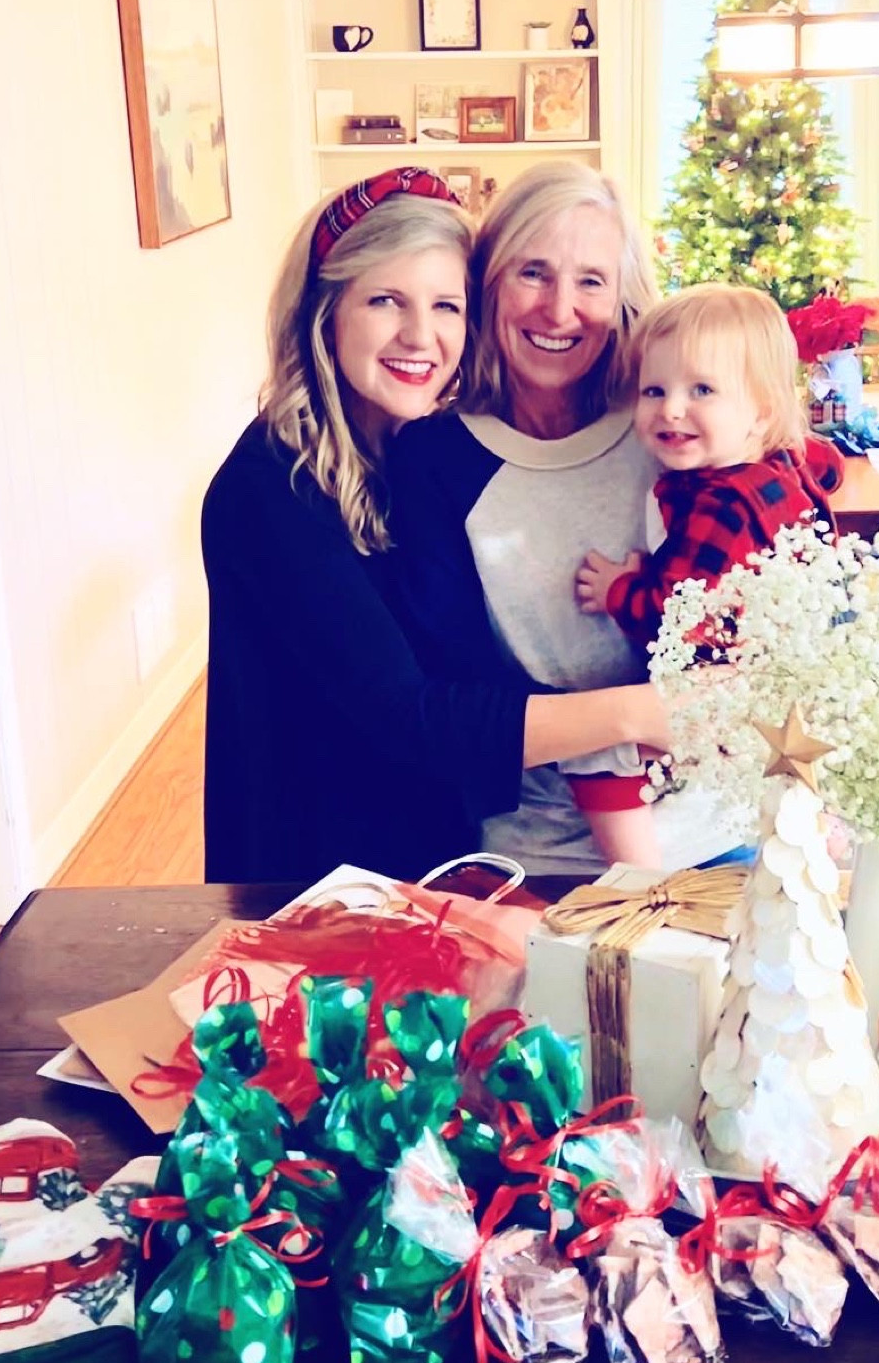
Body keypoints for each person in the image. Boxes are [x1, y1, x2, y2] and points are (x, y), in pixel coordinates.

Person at [200, 167, 669, 886]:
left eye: (445, 305)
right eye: (386, 300)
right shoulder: (272, 487)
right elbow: (406, 715)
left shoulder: (415, 448)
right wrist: (641, 713)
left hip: (439, 857)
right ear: (325, 311)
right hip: (319, 878)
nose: (421, 336)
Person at [386, 162, 664, 872]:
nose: (560, 310)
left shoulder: (665, 430)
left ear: (623, 295)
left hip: (708, 818)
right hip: (536, 849)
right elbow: (453, 697)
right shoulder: (431, 460)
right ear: (486, 286)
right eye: (532, 273)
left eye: (591, 281)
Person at [575, 284, 844, 767]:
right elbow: (827, 462)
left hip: (737, 702)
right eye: (653, 390)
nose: (671, 409)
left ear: (760, 413)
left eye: (702, 390)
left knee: (598, 761)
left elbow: (674, 619)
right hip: (791, 685)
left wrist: (618, 589)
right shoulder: (782, 462)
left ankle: (636, 848)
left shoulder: (723, 504)